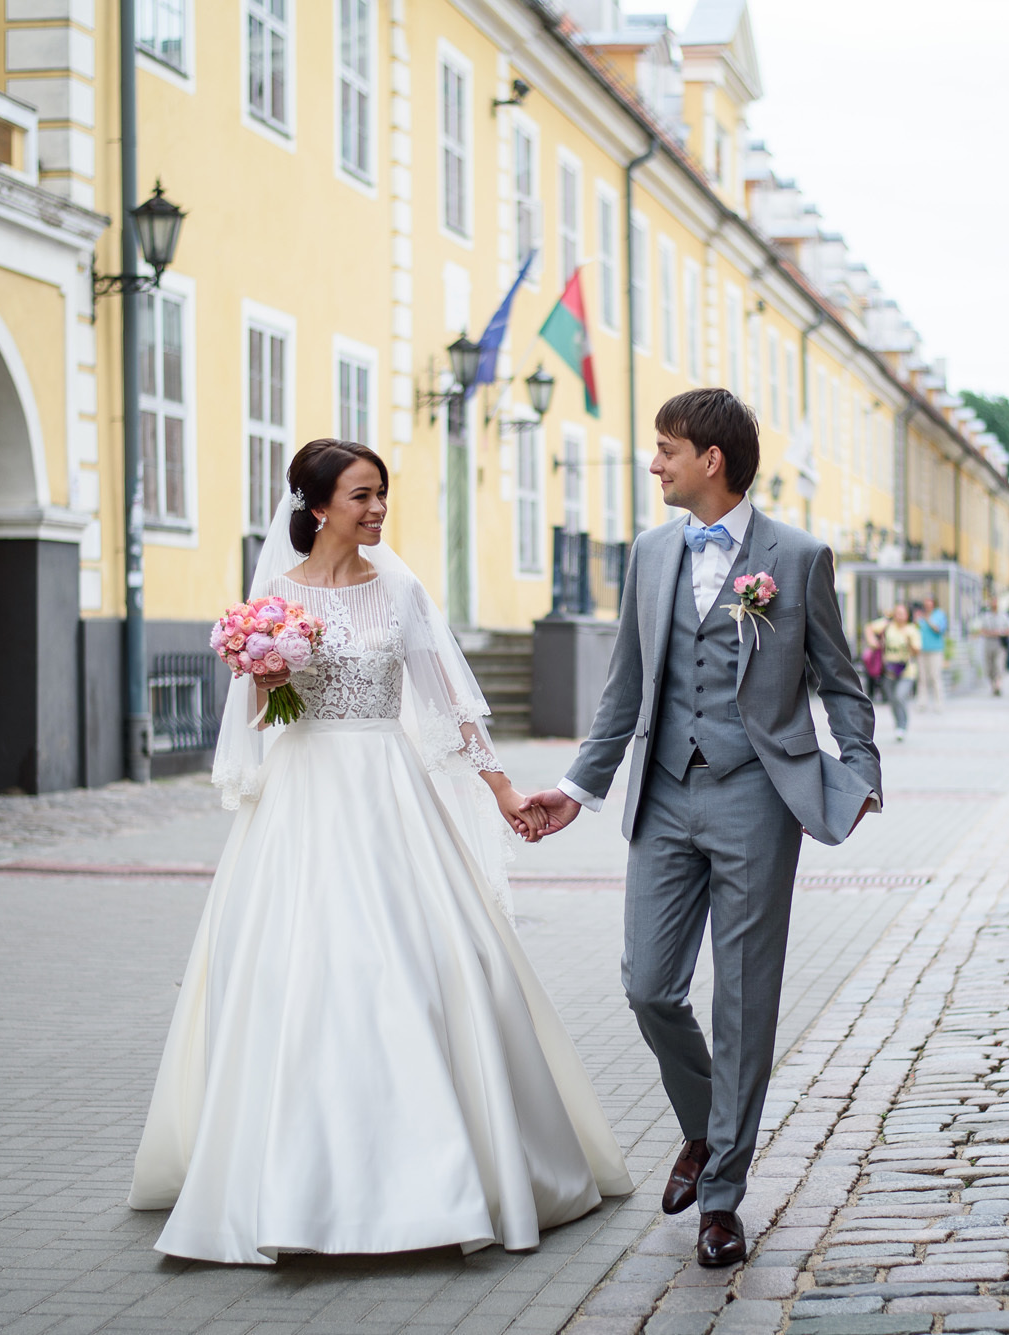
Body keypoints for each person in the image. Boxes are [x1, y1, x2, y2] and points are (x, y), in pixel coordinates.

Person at [128, 439, 633, 1264]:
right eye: (361, 495)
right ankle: (284, 1183)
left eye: (382, 495)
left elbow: (451, 700)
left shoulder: (399, 589)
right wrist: (263, 666)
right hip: (301, 798)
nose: (377, 510)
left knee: (420, 964)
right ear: (318, 505)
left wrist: (503, 790)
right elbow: (260, 719)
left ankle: (444, 1177)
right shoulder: (274, 595)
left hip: (390, 792)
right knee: (291, 973)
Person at [520, 388, 881, 1269]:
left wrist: (860, 770)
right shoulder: (649, 554)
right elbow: (624, 690)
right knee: (649, 985)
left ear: (710, 460)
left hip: (760, 797)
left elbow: (840, 677)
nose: (654, 464)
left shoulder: (796, 557)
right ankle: (704, 1127)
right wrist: (578, 787)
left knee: (746, 999)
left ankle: (722, 1196)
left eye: (666, 450)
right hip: (664, 798)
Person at [881, 603, 921, 741]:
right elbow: (870, 628)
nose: (899, 616)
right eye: (897, 613)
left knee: (900, 696)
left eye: (902, 613)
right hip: (890, 670)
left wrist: (909, 643)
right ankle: (898, 725)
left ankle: (902, 726)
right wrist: (872, 640)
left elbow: (917, 651)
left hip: (906, 671)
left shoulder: (912, 629)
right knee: (892, 699)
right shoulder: (888, 626)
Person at [913, 597, 948, 714]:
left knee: (935, 676)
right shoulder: (920, 615)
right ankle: (922, 702)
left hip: (935, 650)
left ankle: (938, 703)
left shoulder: (939, 615)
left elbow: (938, 629)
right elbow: (916, 630)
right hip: (922, 649)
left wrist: (927, 619)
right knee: (922, 677)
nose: (927, 606)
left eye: (929, 603)